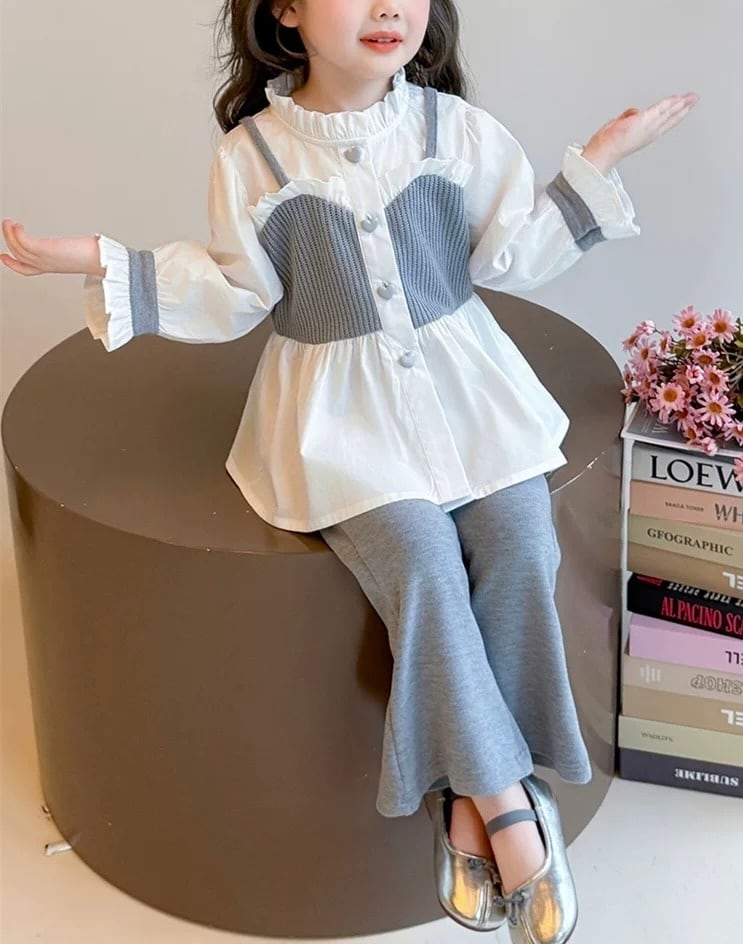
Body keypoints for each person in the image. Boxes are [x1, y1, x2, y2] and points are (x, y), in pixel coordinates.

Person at [1, 1, 697, 940]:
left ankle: (465, 794)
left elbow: (512, 254)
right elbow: (231, 292)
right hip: (338, 424)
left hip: (472, 400)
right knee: (420, 563)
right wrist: (92, 258)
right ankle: (506, 803)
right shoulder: (254, 156)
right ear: (285, 11)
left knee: (521, 541)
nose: (387, 7)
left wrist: (600, 158)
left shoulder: (454, 131)